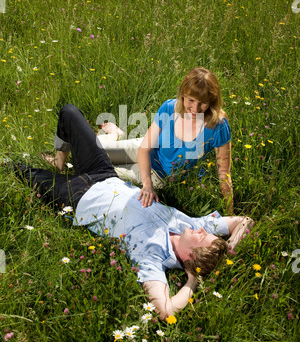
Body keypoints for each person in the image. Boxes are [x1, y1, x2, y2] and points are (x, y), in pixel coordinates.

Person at [12, 104, 254, 320]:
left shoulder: (152, 256)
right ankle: (61, 160)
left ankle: (47, 166)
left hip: (77, 197)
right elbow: (244, 221)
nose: (202, 229)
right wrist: (229, 247)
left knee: (18, 170)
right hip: (104, 173)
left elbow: (165, 310)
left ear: (189, 258)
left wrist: (192, 281)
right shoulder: (188, 224)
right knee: (69, 112)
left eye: (202, 237)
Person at [97, 67, 233, 214]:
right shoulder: (170, 107)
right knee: (96, 151)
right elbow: (144, 148)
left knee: (99, 169)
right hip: (143, 149)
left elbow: (224, 173)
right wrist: (147, 184)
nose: (195, 108)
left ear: (212, 101)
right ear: (183, 96)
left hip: (159, 174)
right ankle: (115, 134)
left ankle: (117, 135)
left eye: (203, 103)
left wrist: (230, 213)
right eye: (191, 100)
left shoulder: (217, 126)